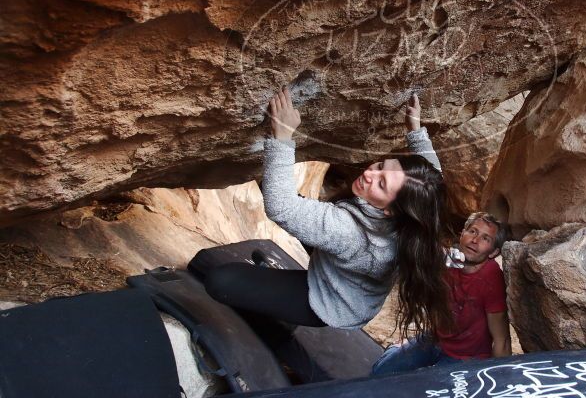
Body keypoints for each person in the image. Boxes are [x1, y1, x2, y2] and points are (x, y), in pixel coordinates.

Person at [204, 88, 452, 342]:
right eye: (380, 166)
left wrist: (282, 136)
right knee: (301, 211)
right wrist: (416, 130)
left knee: (220, 279)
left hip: (327, 301)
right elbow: (432, 174)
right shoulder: (420, 206)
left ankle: (277, 320)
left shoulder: (353, 236)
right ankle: (273, 294)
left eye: (381, 184)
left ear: (391, 209)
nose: (369, 174)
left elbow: (282, 207)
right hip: (347, 274)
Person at [371, 212, 512, 375]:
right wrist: (411, 346)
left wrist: (498, 380)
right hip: (437, 339)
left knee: (426, 390)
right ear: (462, 234)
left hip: (468, 357)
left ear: (494, 252)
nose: (475, 240)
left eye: (485, 238)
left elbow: (502, 340)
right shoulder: (448, 261)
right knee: (381, 371)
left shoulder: (490, 278)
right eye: (473, 231)